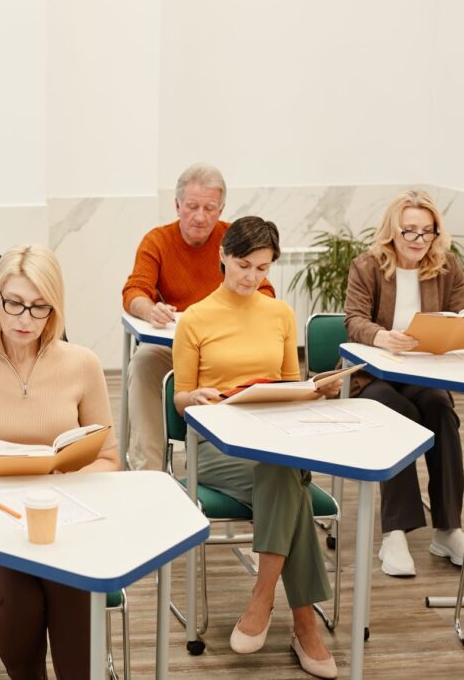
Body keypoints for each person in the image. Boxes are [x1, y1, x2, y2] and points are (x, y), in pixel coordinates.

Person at [0, 244, 118, 679]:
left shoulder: (83, 364)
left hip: (62, 514)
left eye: (39, 308)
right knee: (17, 599)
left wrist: (53, 472)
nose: (25, 319)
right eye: (14, 304)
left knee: (76, 584)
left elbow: (109, 459)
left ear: (55, 309)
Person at [173, 217, 338, 679]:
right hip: (214, 445)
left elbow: (288, 384)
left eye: (262, 268)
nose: (252, 277)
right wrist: (195, 398)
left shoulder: (280, 313)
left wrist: (312, 390)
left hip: (272, 440)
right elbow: (180, 399)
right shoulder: (196, 318)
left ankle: (262, 598)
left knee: (278, 470)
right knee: (289, 485)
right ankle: (303, 625)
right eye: (244, 265)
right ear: (223, 255)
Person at [344, 189, 464, 577]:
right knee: (397, 413)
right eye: (410, 231)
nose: (419, 241)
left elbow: (461, 313)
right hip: (375, 374)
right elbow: (354, 320)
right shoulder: (367, 266)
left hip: (425, 371)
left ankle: (449, 529)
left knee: (441, 410)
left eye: (427, 232)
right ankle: (395, 531)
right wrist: (381, 336)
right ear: (392, 231)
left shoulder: (446, 266)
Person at [122, 163, 275, 471]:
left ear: (221, 209)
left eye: (210, 207)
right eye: (192, 206)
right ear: (177, 206)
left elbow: (267, 293)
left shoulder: (233, 240)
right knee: (143, 362)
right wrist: (149, 309)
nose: (200, 216)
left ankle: (241, 461)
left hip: (225, 347)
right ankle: (149, 470)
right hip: (172, 346)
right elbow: (134, 291)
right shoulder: (158, 241)